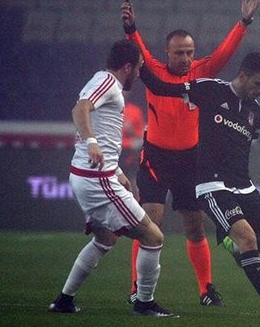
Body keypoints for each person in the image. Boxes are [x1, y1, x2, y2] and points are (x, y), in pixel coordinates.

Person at [120, 0, 260, 306]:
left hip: (191, 159)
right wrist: (131, 29)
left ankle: (206, 290)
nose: (185, 58)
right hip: (156, 156)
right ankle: (137, 288)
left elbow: (226, 52)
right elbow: (137, 48)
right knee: (150, 221)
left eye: (189, 52)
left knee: (195, 227)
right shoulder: (153, 71)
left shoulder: (203, 73)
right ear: (167, 54)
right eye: (179, 53)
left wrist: (244, 22)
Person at [138, 52, 260, 320]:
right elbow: (161, 88)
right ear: (243, 76)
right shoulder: (210, 89)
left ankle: (235, 248)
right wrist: (140, 63)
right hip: (211, 184)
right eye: (258, 84)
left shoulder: (254, 111)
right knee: (246, 236)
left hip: (243, 186)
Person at [48, 39, 175, 317]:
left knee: (105, 239)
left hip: (91, 176)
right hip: (96, 180)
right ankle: (144, 303)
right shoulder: (107, 82)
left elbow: (103, 133)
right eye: (139, 67)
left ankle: (64, 300)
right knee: (153, 235)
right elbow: (79, 109)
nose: (140, 74)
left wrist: (117, 171)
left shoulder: (104, 83)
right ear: (127, 66)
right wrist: (91, 141)